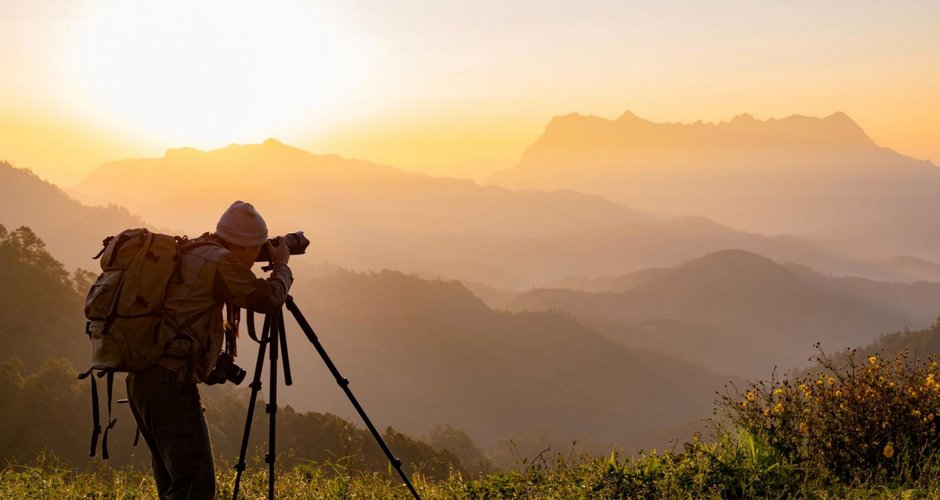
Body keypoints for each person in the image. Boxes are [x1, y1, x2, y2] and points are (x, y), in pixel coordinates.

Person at [125, 201, 293, 499]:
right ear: (243, 247)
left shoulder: (195, 249)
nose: (257, 256)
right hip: (169, 383)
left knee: (176, 487)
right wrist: (281, 266)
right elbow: (267, 299)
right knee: (195, 489)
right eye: (256, 249)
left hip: (144, 379)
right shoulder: (222, 262)